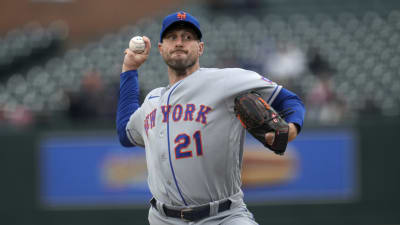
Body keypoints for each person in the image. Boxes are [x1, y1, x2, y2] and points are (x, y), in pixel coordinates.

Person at [116, 11, 305, 225]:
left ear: (200, 48)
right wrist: (129, 69)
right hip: (163, 219)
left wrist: (292, 128)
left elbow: (290, 101)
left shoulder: (226, 80)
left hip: (223, 216)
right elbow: (125, 133)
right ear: (161, 49)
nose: (179, 43)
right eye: (172, 37)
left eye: (187, 37)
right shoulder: (152, 100)